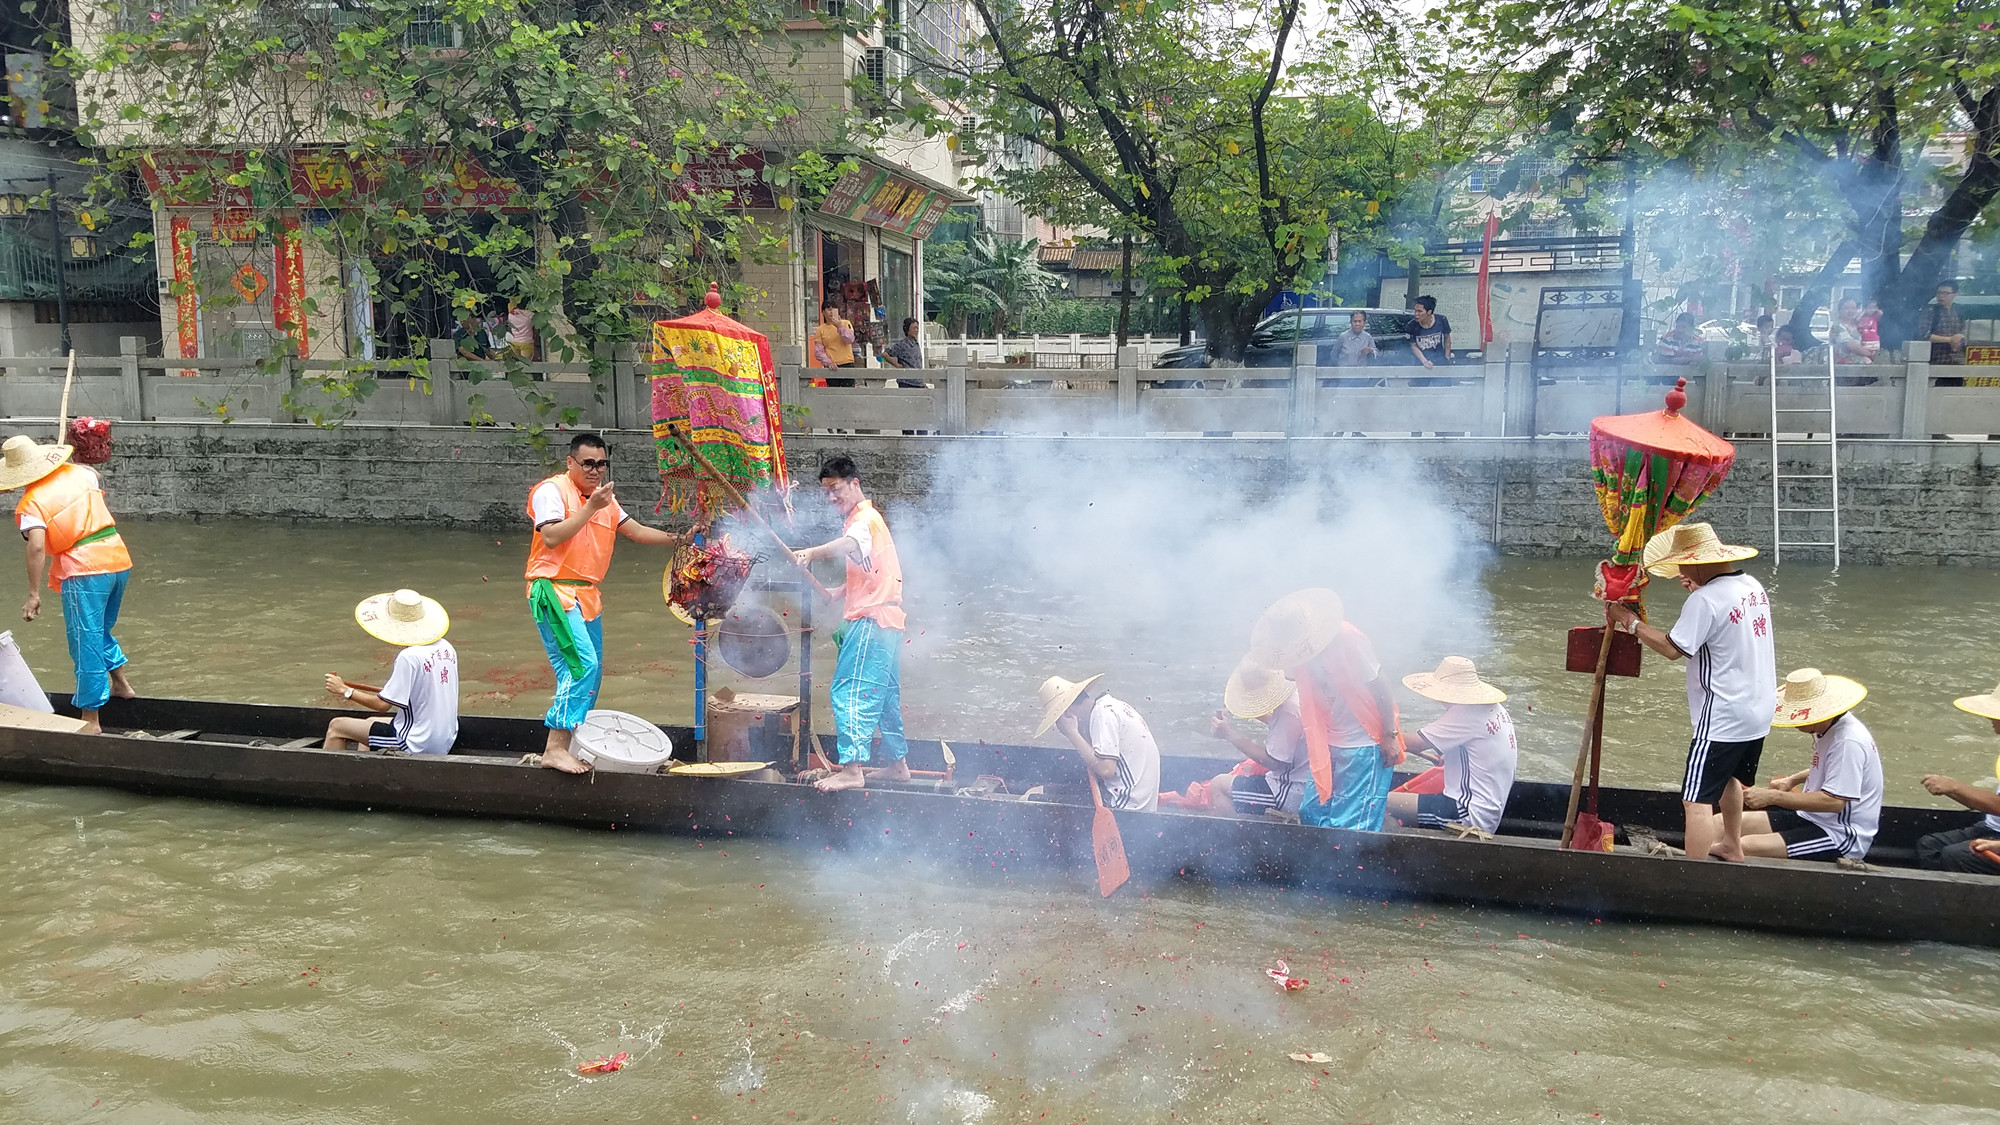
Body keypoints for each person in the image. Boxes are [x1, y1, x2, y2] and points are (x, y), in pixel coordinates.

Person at [526, 433, 695, 773]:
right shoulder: (552, 491)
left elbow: (636, 531)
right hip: (554, 590)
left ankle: (572, 744)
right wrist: (591, 507)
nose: (595, 470)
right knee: (581, 667)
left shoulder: (605, 500)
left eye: (601, 464)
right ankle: (554, 749)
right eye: (588, 463)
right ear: (571, 462)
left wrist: (680, 540)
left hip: (586, 594)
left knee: (594, 674)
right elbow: (551, 536)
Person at [1607, 522, 1775, 862]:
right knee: (1728, 778)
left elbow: (1673, 648)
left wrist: (1630, 621)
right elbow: (1721, 625)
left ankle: (1692, 875)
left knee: (1695, 799)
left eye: (1683, 565)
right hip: (1758, 708)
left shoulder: (1705, 599)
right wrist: (1700, 589)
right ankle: (1732, 845)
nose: (1681, 574)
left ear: (1697, 563)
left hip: (1723, 713)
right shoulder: (1751, 585)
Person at [1, 435, 135, 734]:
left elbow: (36, 546)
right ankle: (122, 685)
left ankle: (91, 718)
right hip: (117, 558)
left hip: (84, 568)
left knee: (85, 640)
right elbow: (94, 473)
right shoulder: (81, 473)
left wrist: (33, 593)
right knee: (99, 631)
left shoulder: (31, 504)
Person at [791, 455, 908, 792]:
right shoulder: (869, 520)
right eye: (826, 492)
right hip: (886, 620)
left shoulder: (863, 520)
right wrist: (838, 591)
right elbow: (873, 570)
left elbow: (850, 545)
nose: (831, 497)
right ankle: (898, 765)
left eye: (836, 489)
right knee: (884, 695)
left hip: (871, 620)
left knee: (850, 690)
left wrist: (811, 553)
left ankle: (852, 770)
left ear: (854, 484)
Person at [1247, 588, 1404, 831]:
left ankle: (1362, 853)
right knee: (1312, 812)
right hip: (1326, 739)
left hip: (1363, 740)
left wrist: (1389, 734)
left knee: (1352, 825)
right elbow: (1295, 684)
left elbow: (1378, 681)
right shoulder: (1291, 650)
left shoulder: (1347, 638)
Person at [1731, 668, 1882, 861]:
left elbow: (1834, 802)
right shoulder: (1829, 727)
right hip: (1811, 816)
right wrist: (1792, 780)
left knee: (1744, 846)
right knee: (1724, 824)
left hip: (1840, 834)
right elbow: (1834, 769)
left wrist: (1772, 797)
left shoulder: (1847, 742)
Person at [1386, 656, 1517, 835]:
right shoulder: (1496, 709)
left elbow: (1414, 743)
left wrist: (1382, 735)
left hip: (1465, 814)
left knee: (1378, 803)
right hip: (1487, 812)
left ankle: (1390, 850)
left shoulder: (1466, 713)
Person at [322, 588, 459, 756]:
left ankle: (331, 773)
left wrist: (344, 690)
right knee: (370, 721)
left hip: (415, 742)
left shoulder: (408, 657)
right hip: (444, 736)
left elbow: (381, 706)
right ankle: (366, 768)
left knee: (336, 726)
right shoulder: (446, 647)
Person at [1171, 658, 1309, 817]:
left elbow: (1274, 762)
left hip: (1290, 791)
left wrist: (1229, 734)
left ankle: (1234, 831)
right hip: (1305, 784)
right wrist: (1245, 713)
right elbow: (1284, 730)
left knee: (1218, 785)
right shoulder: (1295, 697)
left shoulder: (1287, 712)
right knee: (1245, 771)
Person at [1035, 673, 1160, 813]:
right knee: (1042, 791)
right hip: (1136, 799)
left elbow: (1106, 770)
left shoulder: (1103, 714)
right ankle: (1038, 791)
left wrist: (1072, 733)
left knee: (1034, 799)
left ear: (1067, 713)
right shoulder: (1110, 706)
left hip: (1126, 806)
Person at [1914, 679, 2000, 873]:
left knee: (1955, 855)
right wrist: (1951, 790)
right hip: (1992, 827)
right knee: (1930, 846)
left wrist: (1954, 787)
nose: (1990, 717)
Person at [812, 302, 858, 387]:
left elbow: (850, 339)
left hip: (847, 363)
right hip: (831, 366)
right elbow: (818, 351)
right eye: (829, 310)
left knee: (848, 391)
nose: (831, 312)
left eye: (834, 310)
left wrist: (840, 327)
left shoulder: (845, 323)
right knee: (833, 391)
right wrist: (828, 362)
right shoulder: (820, 329)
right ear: (823, 312)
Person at [1920, 281, 1967, 365]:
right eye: (1939, 293)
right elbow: (1924, 335)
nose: (1941, 296)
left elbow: (1963, 339)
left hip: (1958, 361)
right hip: (1936, 361)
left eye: (1945, 293)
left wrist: (1959, 343)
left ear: (1955, 294)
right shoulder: (1931, 311)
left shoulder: (1959, 312)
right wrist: (1949, 340)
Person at [1405, 295, 1452, 369]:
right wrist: (1425, 361)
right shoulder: (1411, 325)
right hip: (1421, 362)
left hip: (1440, 361)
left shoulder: (1442, 320)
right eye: (1415, 310)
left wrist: (1447, 355)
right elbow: (1413, 346)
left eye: (1419, 311)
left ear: (1429, 312)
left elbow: (1447, 337)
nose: (1416, 314)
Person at [1830, 298, 1870, 364]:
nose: (1850, 311)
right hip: (1844, 366)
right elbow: (1852, 346)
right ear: (1839, 310)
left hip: (1861, 365)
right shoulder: (1837, 327)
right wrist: (1871, 354)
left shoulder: (1858, 324)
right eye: (1846, 308)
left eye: (1853, 308)